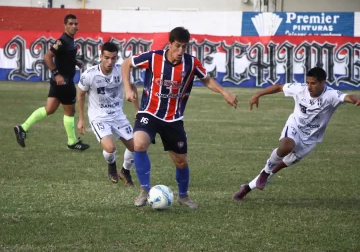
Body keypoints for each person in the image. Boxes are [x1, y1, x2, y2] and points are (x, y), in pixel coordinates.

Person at [122, 26, 238, 209]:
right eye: (177, 46)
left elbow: (206, 79)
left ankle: (183, 197)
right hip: (149, 113)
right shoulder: (153, 58)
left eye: (184, 47)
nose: (180, 51)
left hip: (173, 119)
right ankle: (145, 189)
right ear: (169, 44)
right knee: (139, 144)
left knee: (181, 161)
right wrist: (128, 88)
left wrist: (224, 92)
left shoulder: (191, 63)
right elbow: (127, 63)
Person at [232, 67, 360, 201]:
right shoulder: (300, 88)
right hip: (295, 126)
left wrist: (356, 99)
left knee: (279, 166)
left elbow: (349, 97)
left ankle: (246, 188)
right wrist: (258, 94)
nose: (309, 87)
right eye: (308, 82)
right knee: (286, 146)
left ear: (323, 82)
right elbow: (279, 87)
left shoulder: (331, 95)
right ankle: (265, 171)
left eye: (313, 83)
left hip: (310, 139)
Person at [14, 14, 89, 151]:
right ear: (65, 25)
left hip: (58, 82)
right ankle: (72, 142)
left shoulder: (70, 41)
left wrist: (75, 61)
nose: (74, 26)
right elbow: (48, 56)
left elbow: (64, 58)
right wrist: (57, 74)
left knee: (49, 109)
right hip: (64, 82)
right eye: (71, 24)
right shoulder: (62, 41)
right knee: (70, 112)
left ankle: (23, 127)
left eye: (75, 24)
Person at [77, 42, 139, 185]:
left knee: (136, 147)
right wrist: (81, 119)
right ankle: (112, 166)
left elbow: (133, 88)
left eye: (113, 58)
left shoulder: (122, 71)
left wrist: (137, 110)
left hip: (118, 115)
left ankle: (125, 171)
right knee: (110, 148)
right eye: (106, 58)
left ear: (117, 58)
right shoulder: (89, 74)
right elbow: (80, 95)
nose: (110, 61)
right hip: (98, 117)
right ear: (101, 56)